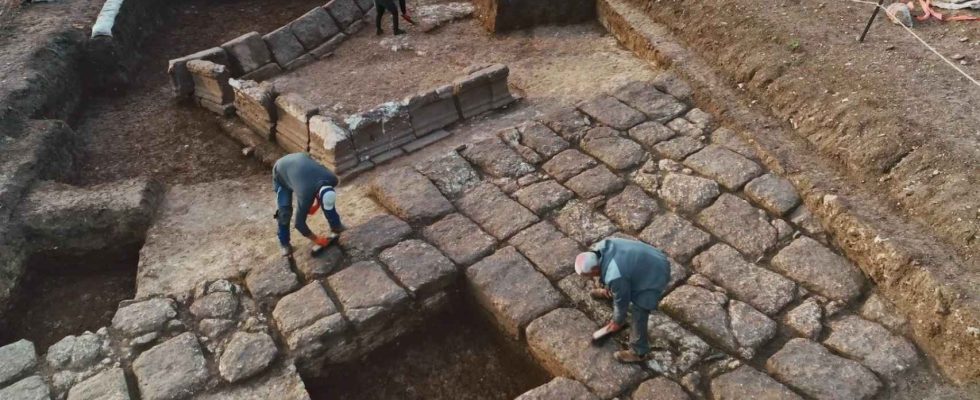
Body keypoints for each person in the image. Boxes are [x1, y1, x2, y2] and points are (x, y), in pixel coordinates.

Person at [574, 238, 671, 363]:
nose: (589, 278)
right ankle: (609, 291)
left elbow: (622, 302)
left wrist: (617, 322)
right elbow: (608, 271)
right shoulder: (601, 247)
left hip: (657, 271)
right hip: (650, 256)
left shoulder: (615, 275)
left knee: (640, 310)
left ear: (594, 270)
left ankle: (638, 352)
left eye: (589, 275)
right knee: (618, 282)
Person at [272, 153, 345, 257]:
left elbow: (324, 194)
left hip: (302, 161)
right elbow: (299, 224)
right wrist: (316, 239)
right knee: (284, 213)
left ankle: (336, 226)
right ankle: (284, 243)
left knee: (328, 201)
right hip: (281, 171)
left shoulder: (332, 179)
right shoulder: (305, 193)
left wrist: (317, 203)